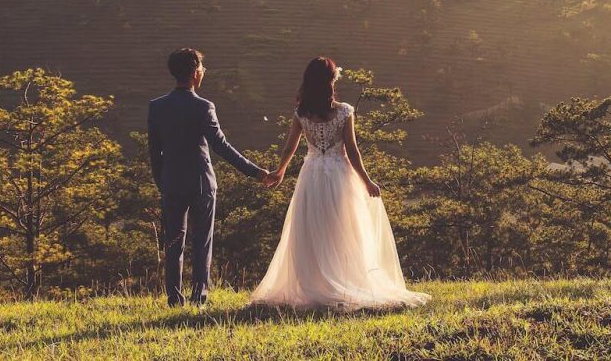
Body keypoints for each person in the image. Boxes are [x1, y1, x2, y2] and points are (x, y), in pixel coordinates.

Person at [250, 56, 430, 310]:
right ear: (331, 81)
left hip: (311, 174)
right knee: (343, 227)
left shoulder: (302, 113)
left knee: (313, 228)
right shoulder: (344, 111)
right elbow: (352, 151)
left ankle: (316, 282)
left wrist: (280, 171)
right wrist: (366, 181)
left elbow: (290, 145)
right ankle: (343, 279)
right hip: (339, 174)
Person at [147, 47, 271, 307]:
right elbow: (221, 146)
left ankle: (174, 299)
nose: (203, 72)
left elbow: (154, 152)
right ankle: (199, 298)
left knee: (173, 242)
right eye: (202, 68)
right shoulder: (204, 106)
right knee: (202, 242)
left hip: (171, 183)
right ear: (194, 73)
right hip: (202, 183)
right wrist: (255, 172)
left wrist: (163, 183)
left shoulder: (157, 107)